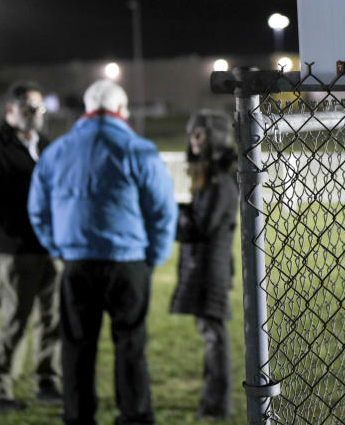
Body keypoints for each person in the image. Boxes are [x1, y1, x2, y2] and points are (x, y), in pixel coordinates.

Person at [28, 79, 177, 425]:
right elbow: (162, 209)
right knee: (130, 345)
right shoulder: (138, 149)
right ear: (121, 110)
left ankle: (78, 415)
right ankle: (134, 414)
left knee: (77, 346)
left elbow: (37, 208)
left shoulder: (57, 151)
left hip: (78, 261)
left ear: (86, 110)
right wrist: (154, 254)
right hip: (128, 261)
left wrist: (59, 247)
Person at [0, 80, 63, 411]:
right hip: (15, 249)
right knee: (15, 320)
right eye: (28, 107)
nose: (35, 114)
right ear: (10, 110)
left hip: (49, 247)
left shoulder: (48, 146)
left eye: (39, 107)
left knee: (53, 319)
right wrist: (15, 227)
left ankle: (47, 380)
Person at [169, 110, 238, 419]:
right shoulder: (210, 176)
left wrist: (169, 214)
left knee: (214, 333)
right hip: (206, 265)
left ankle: (217, 404)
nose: (193, 140)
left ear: (217, 138)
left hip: (212, 267)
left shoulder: (221, 181)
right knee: (209, 331)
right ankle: (211, 400)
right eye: (192, 134)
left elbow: (200, 227)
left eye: (200, 134)